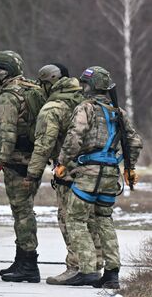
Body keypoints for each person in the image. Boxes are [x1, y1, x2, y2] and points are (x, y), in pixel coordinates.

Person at [55, 66, 142, 288]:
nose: (83, 87)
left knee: (75, 219)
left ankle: (87, 269)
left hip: (88, 174)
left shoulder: (85, 108)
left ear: (91, 86)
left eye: (85, 83)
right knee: (104, 220)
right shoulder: (118, 112)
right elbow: (134, 141)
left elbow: (75, 136)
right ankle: (112, 273)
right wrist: (129, 167)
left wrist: (62, 163)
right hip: (111, 174)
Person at [25, 64, 103, 284]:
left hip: (68, 171)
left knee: (69, 218)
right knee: (90, 219)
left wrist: (32, 174)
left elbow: (43, 144)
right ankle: (95, 264)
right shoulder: (87, 102)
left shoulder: (53, 108)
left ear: (49, 83)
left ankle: (76, 267)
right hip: (95, 170)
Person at [0, 50, 46, 283]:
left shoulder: (9, 95)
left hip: (16, 162)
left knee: (22, 214)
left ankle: (29, 265)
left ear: (4, 72)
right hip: (34, 160)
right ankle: (21, 259)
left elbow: (8, 135)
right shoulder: (34, 89)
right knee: (25, 211)